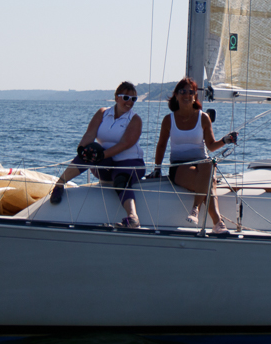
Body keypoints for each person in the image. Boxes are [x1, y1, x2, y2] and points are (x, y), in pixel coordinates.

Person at [50, 81, 145, 228]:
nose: (130, 102)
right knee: (90, 150)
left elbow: (125, 144)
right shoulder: (103, 113)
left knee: (121, 180)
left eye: (133, 99)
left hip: (130, 163)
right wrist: (82, 150)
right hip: (106, 164)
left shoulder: (135, 119)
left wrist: (101, 155)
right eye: (126, 98)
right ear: (116, 98)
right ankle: (59, 184)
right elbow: (90, 134)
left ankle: (133, 218)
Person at [153, 77, 237, 234]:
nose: (186, 95)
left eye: (190, 92)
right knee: (209, 182)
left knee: (208, 164)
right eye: (182, 91)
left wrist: (226, 140)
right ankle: (218, 222)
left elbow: (211, 146)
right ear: (176, 95)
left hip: (203, 166)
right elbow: (162, 145)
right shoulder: (168, 120)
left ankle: (195, 209)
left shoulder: (203, 117)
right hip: (179, 167)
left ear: (195, 96)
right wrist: (157, 169)